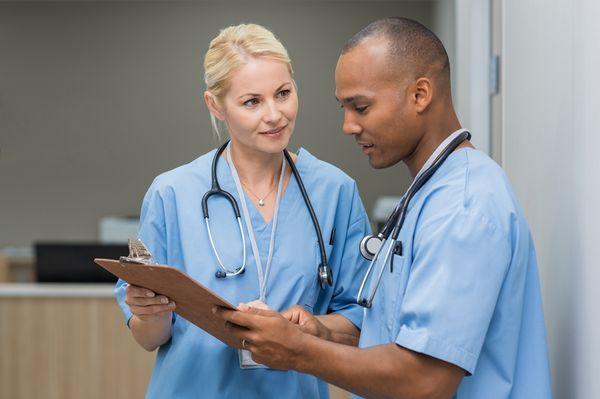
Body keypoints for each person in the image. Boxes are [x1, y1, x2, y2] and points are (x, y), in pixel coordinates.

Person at [215, 17, 552, 398]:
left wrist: (297, 351)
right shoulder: (430, 193)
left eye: (360, 107)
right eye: (344, 107)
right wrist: (320, 331)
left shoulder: (463, 206)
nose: (348, 126)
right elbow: (392, 331)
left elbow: (425, 380)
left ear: (420, 95)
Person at [114, 23, 371, 398]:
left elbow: (361, 322)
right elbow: (150, 339)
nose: (274, 115)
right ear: (215, 105)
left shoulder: (335, 191)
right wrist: (149, 314)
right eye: (252, 101)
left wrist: (313, 327)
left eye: (283, 93)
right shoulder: (172, 193)